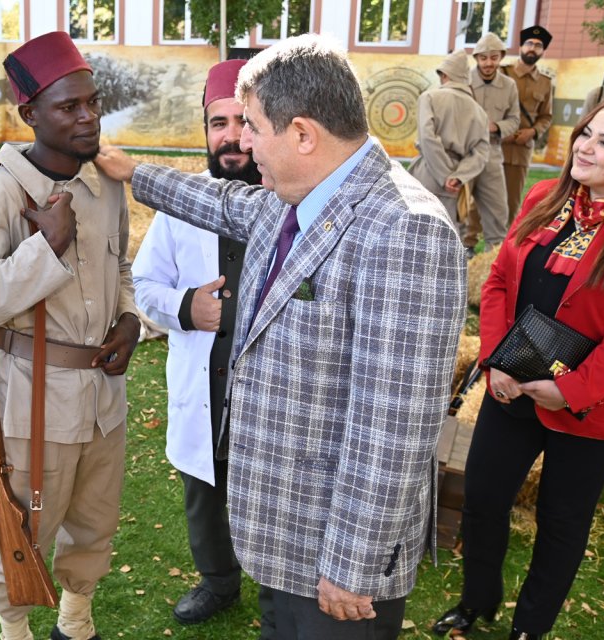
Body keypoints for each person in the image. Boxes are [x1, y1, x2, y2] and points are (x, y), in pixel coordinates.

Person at [95, 34, 467, 639]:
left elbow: (393, 424)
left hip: (335, 563)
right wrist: (132, 171)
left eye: (254, 127)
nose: (242, 143)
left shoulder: (403, 230)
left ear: (302, 134)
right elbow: (215, 199)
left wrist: (353, 564)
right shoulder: (294, 198)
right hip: (284, 538)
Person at [431, 94, 604, 640]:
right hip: (512, 386)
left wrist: (573, 389)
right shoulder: (546, 196)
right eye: (585, 133)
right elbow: (500, 280)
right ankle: (477, 602)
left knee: (561, 522)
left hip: (595, 403)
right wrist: (495, 360)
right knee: (482, 500)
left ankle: (530, 629)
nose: (584, 147)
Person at [0, 31, 140, 640]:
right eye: (68, 107)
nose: (87, 118)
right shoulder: (1, 191)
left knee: (94, 521)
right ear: (30, 114)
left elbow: (123, 270)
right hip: (33, 403)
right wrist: (44, 247)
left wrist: (131, 321)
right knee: (22, 531)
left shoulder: (105, 181)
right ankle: (16, 630)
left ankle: (76, 621)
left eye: (93, 103)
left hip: (103, 398)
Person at [131, 58, 274, 635]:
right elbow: (144, 284)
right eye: (219, 123)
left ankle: (279, 593)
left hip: (270, 392)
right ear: (205, 130)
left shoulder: (295, 201)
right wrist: (187, 308)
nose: (232, 136)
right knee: (204, 494)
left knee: (271, 501)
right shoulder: (181, 205)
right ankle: (218, 582)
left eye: (245, 121)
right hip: (204, 385)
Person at [410, 50, 490, 238]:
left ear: (445, 75)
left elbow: (428, 138)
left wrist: (443, 175)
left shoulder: (429, 97)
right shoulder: (480, 112)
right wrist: (458, 177)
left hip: (428, 173)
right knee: (446, 238)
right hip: (456, 183)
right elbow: (481, 152)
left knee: (416, 236)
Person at [465, 32, 522, 253]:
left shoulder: (509, 85)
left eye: (494, 57)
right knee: (460, 208)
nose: (489, 63)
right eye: (484, 58)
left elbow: (515, 120)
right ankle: (463, 249)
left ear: (501, 57)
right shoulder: (464, 81)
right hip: (465, 153)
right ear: (476, 58)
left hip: (492, 152)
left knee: (498, 209)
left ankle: (494, 256)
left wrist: (496, 127)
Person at [502, 26, 554, 225]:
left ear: (542, 51)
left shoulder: (545, 83)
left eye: (538, 45)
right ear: (521, 46)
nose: (533, 48)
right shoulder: (502, 73)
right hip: (496, 144)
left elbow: (546, 116)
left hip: (521, 149)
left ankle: (502, 242)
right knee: (481, 195)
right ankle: (470, 241)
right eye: (529, 43)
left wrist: (533, 132)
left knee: (512, 200)